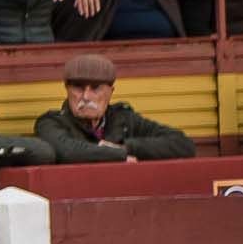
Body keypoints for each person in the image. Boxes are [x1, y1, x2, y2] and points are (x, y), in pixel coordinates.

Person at [31, 50, 197, 162]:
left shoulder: (124, 118)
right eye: (78, 87)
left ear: (111, 92)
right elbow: (65, 150)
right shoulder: (51, 122)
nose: (86, 96)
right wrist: (118, 154)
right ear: (66, 90)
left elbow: (183, 144)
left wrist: (128, 146)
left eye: (95, 88)